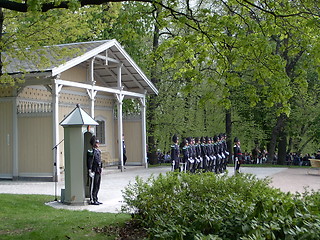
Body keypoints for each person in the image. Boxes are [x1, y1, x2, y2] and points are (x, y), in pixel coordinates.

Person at [87, 136, 103, 205]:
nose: (98, 144)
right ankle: (92, 199)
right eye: (97, 143)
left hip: (98, 170)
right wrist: (90, 170)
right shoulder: (91, 151)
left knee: (97, 185)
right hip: (94, 170)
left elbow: (99, 160)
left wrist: (101, 167)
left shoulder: (98, 151)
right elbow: (90, 161)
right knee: (93, 185)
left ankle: (96, 198)